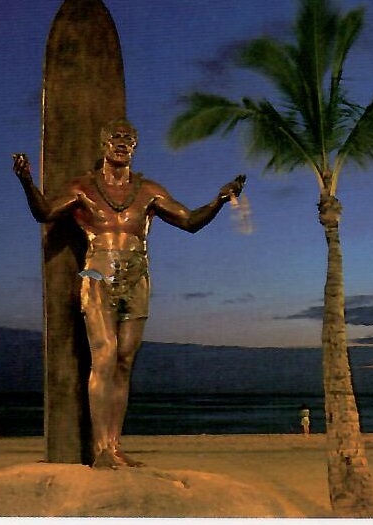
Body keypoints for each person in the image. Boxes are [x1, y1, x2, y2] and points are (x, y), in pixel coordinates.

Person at [14, 119, 245, 469]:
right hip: (99, 271)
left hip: (137, 273)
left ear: (135, 146)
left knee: (124, 361)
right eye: (115, 138)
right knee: (104, 356)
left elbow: (189, 221)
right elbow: (45, 213)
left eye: (129, 139)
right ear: (103, 144)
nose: (122, 143)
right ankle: (100, 450)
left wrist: (219, 199)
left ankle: (115, 446)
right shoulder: (84, 188)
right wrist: (26, 180)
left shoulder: (148, 190)